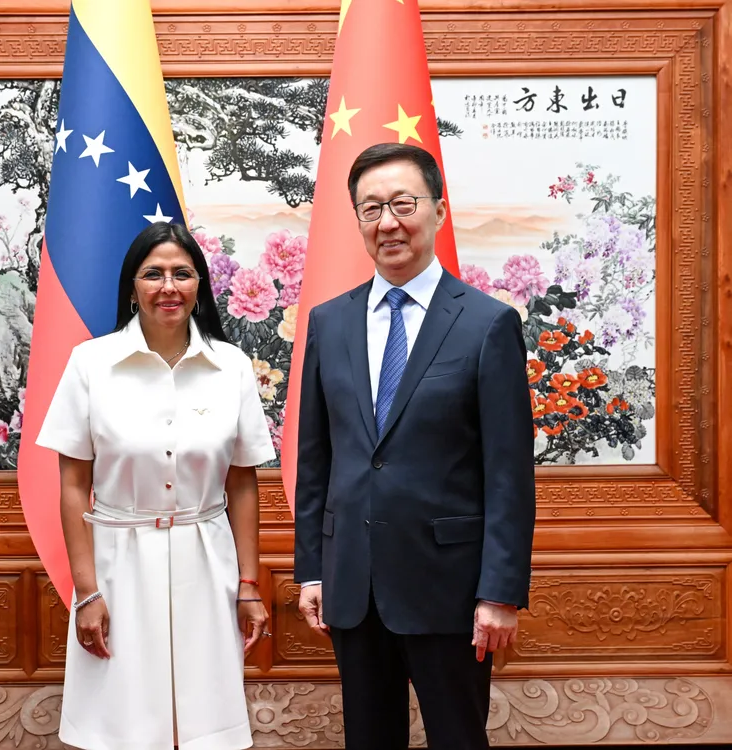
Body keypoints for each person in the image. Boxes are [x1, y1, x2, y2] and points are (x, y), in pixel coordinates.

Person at [293, 143, 536, 750]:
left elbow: (508, 471)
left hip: (450, 590)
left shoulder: (486, 323)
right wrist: (312, 570)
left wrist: (500, 592)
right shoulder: (330, 322)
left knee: (458, 737)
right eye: (371, 208)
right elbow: (317, 456)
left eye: (403, 204)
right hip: (354, 584)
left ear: (438, 211)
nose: (388, 223)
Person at [36, 221, 276, 750]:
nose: (169, 286)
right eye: (154, 274)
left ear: (199, 285)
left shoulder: (230, 366)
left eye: (182, 273)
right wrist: (87, 592)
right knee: (121, 724)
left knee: (204, 722)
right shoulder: (91, 363)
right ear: (132, 287)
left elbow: (242, 484)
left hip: (206, 560)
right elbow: (74, 484)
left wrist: (249, 586)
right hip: (119, 565)